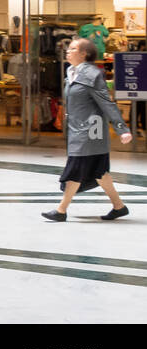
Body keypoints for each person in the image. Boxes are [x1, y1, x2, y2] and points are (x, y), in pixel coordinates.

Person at [43, 37, 133, 221]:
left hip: (91, 132)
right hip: (78, 130)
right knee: (100, 172)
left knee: (75, 169)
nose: (67, 51)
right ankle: (119, 206)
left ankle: (61, 211)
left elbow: (107, 103)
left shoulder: (92, 75)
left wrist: (122, 128)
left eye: (73, 48)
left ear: (84, 54)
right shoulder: (71, 72)